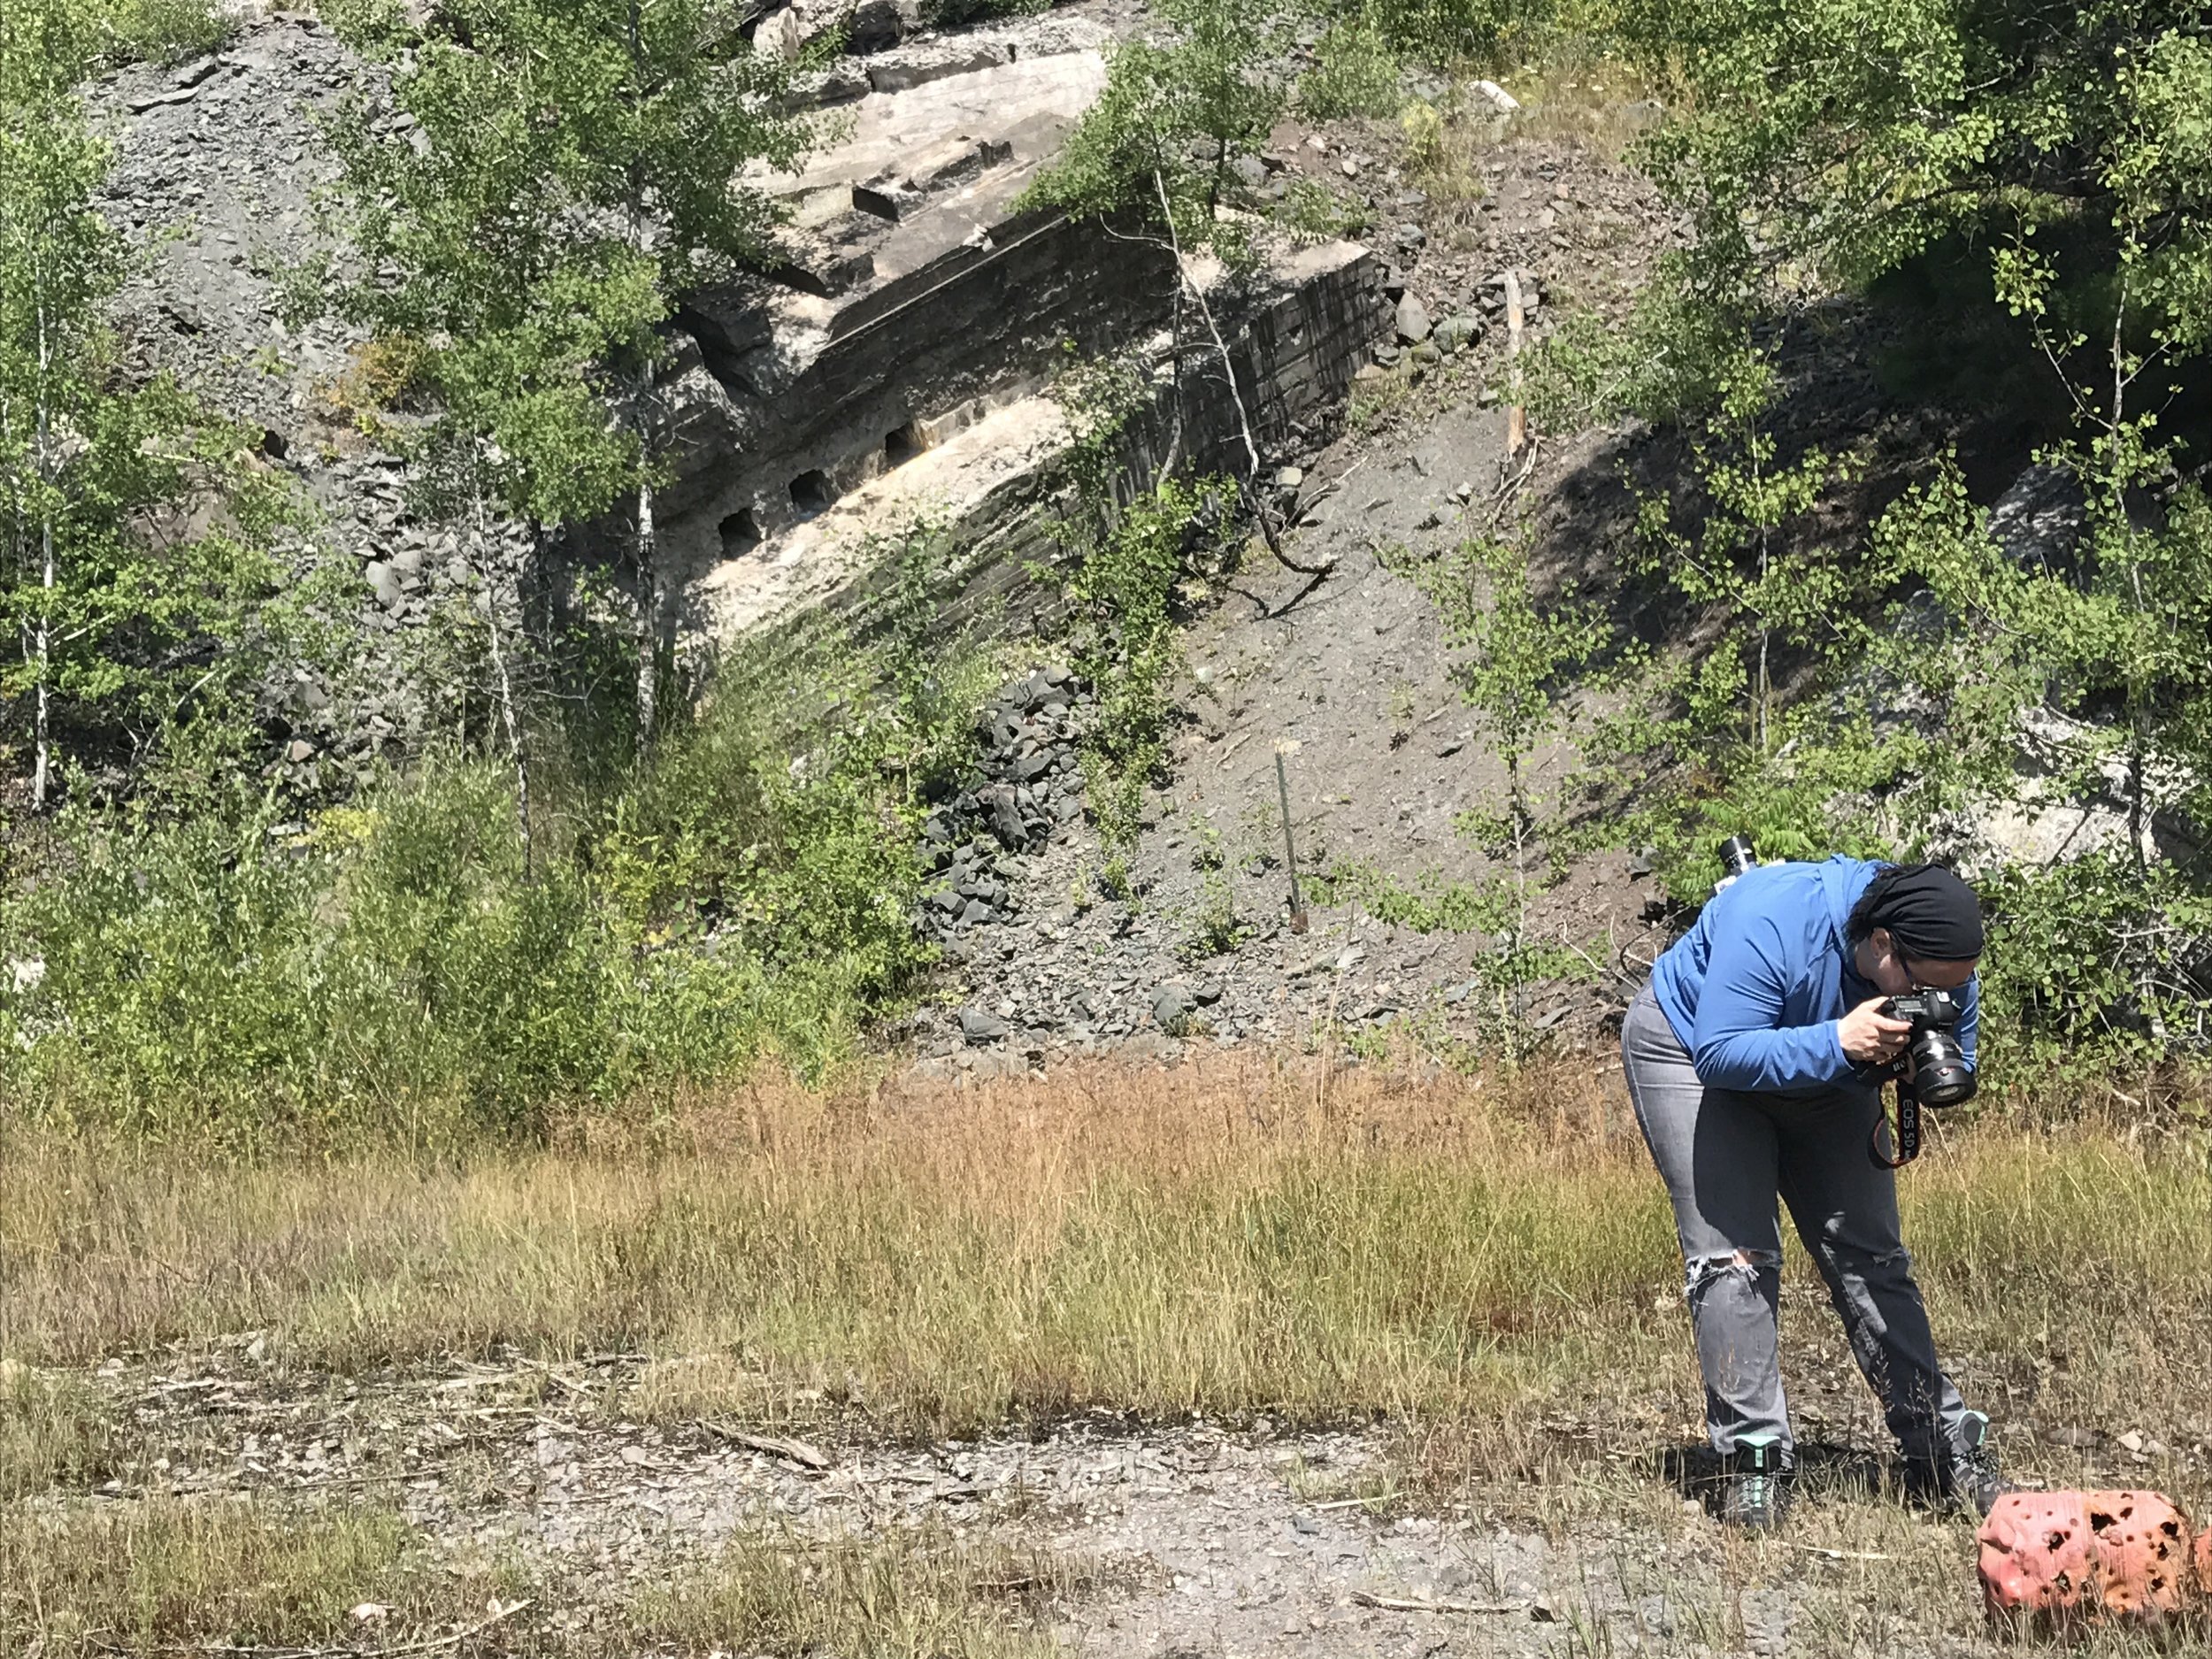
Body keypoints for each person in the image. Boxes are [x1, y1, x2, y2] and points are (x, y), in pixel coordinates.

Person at [1620, 855, 2009, 1529]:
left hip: (1831, 1068)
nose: (1943, 998)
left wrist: (1915, 1063)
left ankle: (1942, 1448)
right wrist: (1839, 1039)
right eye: (1928, 987)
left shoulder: (1941, 963)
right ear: (1882, 944)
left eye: (1956, 988)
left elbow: (1958, 1058)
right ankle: (1754, 1458)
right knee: (1734, 1258)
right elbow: (1722, 1050)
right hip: (1694, 1055)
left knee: (1872, 1255)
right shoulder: (1774, 917)